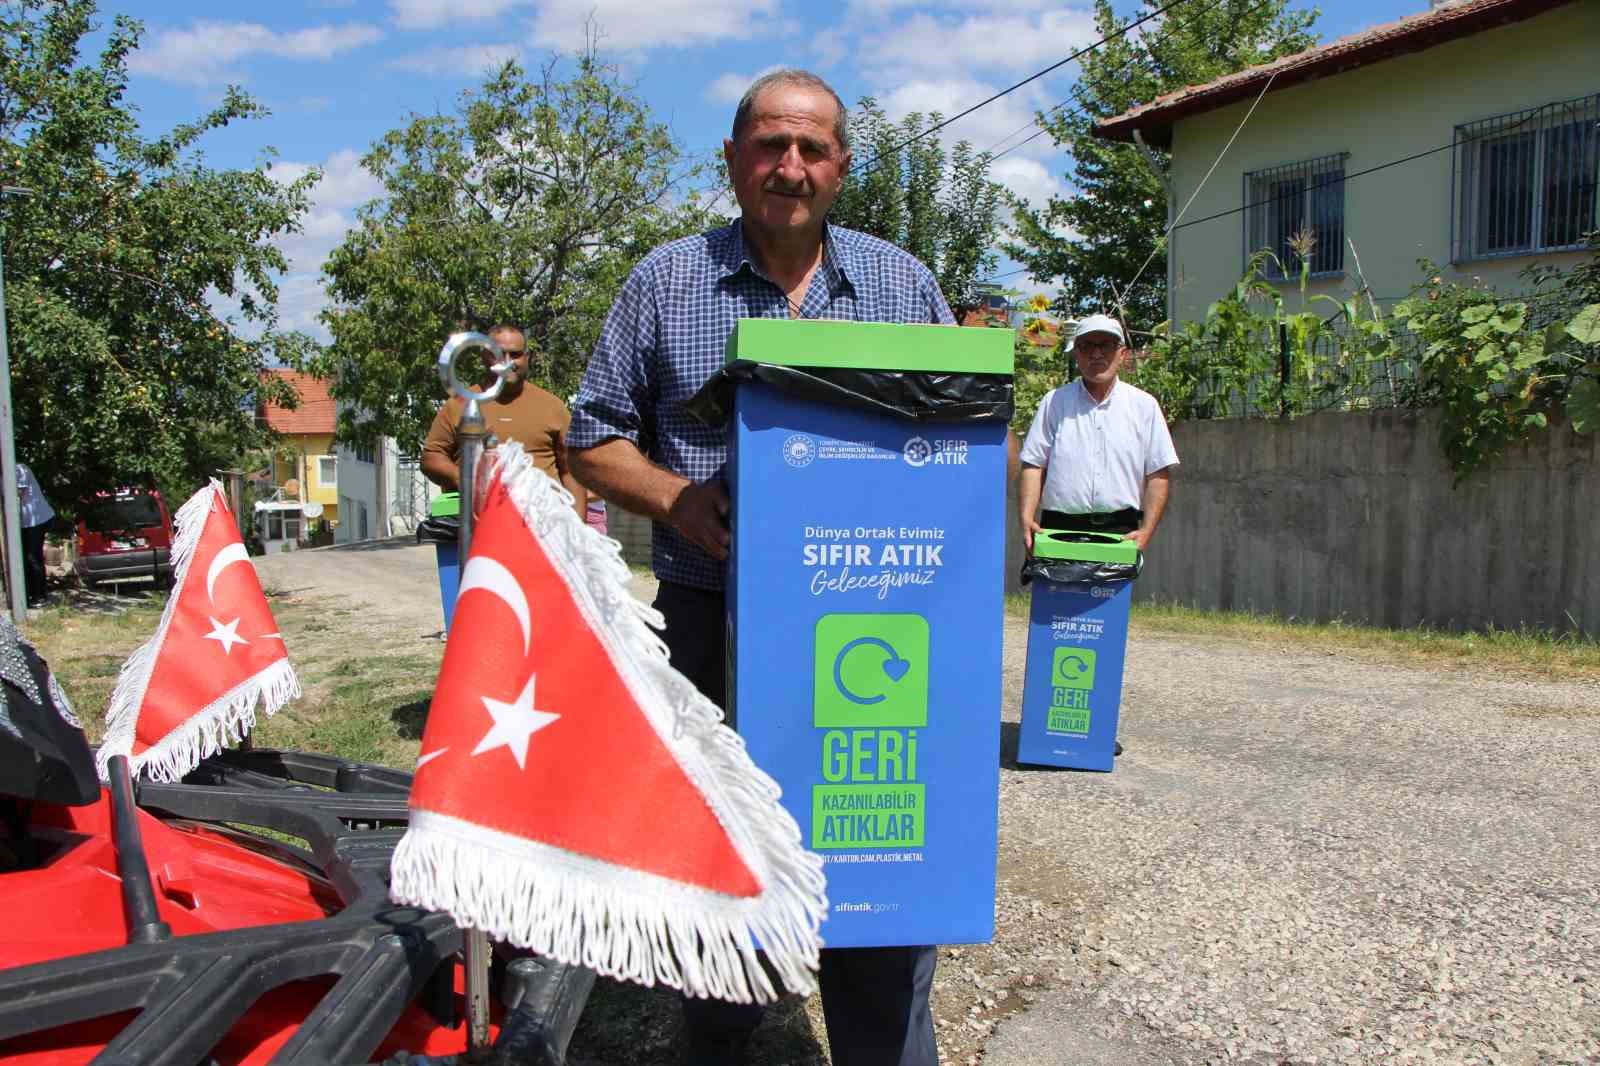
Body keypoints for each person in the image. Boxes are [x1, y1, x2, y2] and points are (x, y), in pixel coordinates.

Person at [568, 68, 946, 1066]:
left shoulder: (903, 286)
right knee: (718, 867)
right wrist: (680, 501)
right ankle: (722, 1035)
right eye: (769, 146)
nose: (790, 166)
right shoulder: (664, 282)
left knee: (878, 853)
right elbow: (591, 437)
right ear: (731, 160)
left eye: (811, 148)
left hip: (868, 625)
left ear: (842, 168)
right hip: (709, 625)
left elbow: (957, 439)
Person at [1016, 312, 1178, 553]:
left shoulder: (1144, 406)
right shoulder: (1055, 402)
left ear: (1122, 353)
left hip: (1119, 533)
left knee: (1111, 593)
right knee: (1056, 592)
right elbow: (1034, 463)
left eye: (1106, 346)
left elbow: (1158, 473)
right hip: (1058, 530)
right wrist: (1027, 517)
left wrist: (1146, 531)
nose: (1097, 354)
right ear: (1076, 353)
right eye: (1087, 346)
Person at [421, 324, 585, 518]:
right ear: (484, 356)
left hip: (543, 527)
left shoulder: (553, 407)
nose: (508, 361)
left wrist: (577, 528)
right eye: (498, 353)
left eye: (515, 354)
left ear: (527, 357)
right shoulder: (460, 403)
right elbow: (431, 458)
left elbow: (572, 471)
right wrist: (465, 479)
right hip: (479, 526)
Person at [16, 462, 55, 608]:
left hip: (37, 520)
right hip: (24, 523)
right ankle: (30, 594)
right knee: (25, 557)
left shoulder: (18, 469)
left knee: (32, 556)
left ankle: (40, 596)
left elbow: (16, 494)